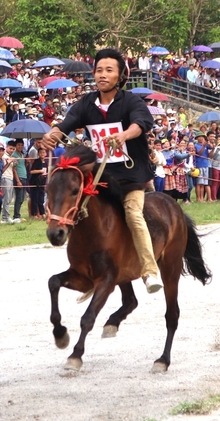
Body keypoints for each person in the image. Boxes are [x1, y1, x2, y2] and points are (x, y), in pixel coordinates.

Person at [41, 48, 162, 296]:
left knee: (133, 215)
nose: (102, 75)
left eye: (109, 70)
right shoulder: (86, 103)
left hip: (130, 178)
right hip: (100, 179)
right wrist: (51, 134)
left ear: (120, 75)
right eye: (98, 70)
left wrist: (125, 135)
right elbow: (65, 125)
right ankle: (85, 268)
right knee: (76, 211)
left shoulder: (132, 101)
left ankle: (149, 271)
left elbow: (142, 124)